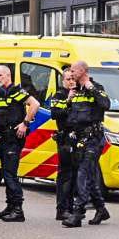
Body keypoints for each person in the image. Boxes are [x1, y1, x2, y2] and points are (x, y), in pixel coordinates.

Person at [61, 60, 110, 228]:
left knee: (82, 173)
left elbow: (106, 104)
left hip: (93, 138)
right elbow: (68, 116)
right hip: (78, 139)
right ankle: (101, 208)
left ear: (83, 71)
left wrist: (91, 88)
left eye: (74, 70)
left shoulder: (95, 87)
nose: (71, 73)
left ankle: (78, 213)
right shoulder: (74, 91)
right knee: (87, 175)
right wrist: (68, 100)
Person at [0, 65, 39, 223]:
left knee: (10, 175)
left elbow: (35, 104)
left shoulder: (16, 90)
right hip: (3, 138)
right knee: (6, 173)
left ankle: (18, 210)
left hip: (13, 138)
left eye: (0, 75)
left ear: (8, 76)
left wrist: (25, 123)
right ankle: (10, 207)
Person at [46, 68, 78, 221]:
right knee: (65, 176)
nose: (71, 81)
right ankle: (62, 209)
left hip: (78, 139)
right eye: (68, 79)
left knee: (74, 175)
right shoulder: (58, 95)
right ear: (63, 81)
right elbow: (55, 114)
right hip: (65, 138)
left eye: (73, 78)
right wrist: (68, 101)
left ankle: (71, 208)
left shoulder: (80, 93)